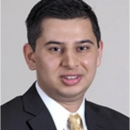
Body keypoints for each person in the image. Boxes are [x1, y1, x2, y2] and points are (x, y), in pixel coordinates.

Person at [1, 0, 129, 130]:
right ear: (31, 56)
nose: (71, 63)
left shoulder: (122, 125)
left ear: (98, 53)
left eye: (82, 48)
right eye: (55, 49)